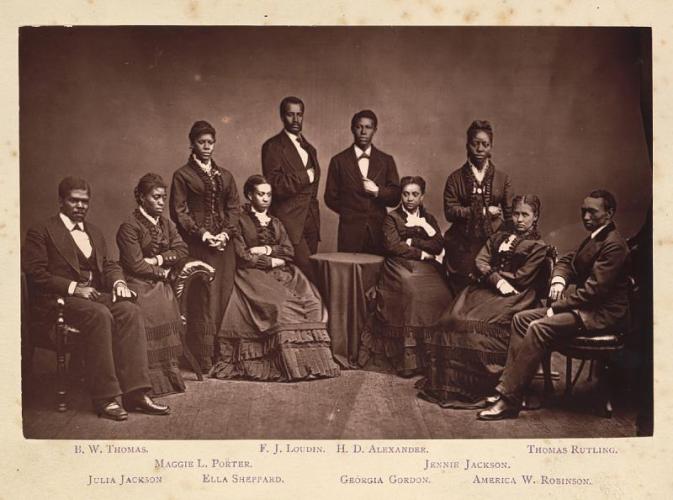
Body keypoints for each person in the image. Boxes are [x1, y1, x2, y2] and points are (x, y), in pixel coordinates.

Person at [22, 177, 170, 421]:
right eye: (74, 200)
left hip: (93, 295)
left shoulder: (94, 232)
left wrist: (119, 283)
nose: (80, 206)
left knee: (130, 310)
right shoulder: (42, 230)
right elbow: (35, 273)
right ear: (61, 201)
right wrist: (73, 288)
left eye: (85, 201)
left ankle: (136, 393)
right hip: (58, 302)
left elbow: (110, 265)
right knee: (99, 314)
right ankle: (105, 397)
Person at [478, 190, 630, 420]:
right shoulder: (595, 237)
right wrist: (559, 279)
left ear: (609, 213)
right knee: (521, 319)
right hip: (585, 308)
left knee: (539, 327)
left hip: (601, 314)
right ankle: (511, 387)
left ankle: (509, 399)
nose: (586, 216)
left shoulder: (613, 245)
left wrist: (557, 307)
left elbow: (594, 291)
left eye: (592, 212)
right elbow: (569, 260)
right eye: (583, 211)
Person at [418, 195, 548, 408]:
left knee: (473, 328)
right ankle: (447, 384)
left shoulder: (538, 246)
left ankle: (484, 386)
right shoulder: (499, 236)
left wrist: (492, 275)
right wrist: (495, 279)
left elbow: (522, 277)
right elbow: (480, 260)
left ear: (535, 217)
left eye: (525, 215)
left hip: (516, 296)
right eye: (516, 214)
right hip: (488, 288)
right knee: (452, 318)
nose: (519, 219)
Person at [210, 175, 340, 381]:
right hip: (252, 275)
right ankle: (291, 367)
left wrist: (266, 250)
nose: (266, 199)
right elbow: (243, 255)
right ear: (249, 195)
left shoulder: (276, 222)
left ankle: (311, 365)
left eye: (269, 194)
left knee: (312, 302)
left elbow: (289, 251)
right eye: (261, 194)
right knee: (281, 305)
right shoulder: (240, 222)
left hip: (283, 271)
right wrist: (271, 260)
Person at [359, 176, 451, 376]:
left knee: (442, 294)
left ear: (422, 197)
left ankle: (430, 358)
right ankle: (410, 361)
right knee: (412, 292)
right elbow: (392, 246)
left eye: (415, 194)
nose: (409, 198)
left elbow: (438, 244)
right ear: (401, 195)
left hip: (425, 266)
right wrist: (420, 251)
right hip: (398, 265)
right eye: (406, 194)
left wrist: (411, 241)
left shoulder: (429, 219)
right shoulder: (392, 218)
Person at [170, 120, 240, 372]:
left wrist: (224, 234)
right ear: (192, 144)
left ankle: (223, 352)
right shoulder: (183, 175)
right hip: (198, 246)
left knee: (224, 294)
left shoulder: (226, 175)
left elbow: (233, 208)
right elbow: (179, 212)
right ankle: (203, 355)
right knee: (204, 298)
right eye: (202, 142)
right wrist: (203, 235)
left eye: (211, 142)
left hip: (223, 246)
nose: (207, 147)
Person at [117, 173, 189, 396]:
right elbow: (135, 265)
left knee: (165, 301)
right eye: (155, 197)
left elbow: (182, 250)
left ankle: (169, 377)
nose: (160, 202)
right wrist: (164, 272)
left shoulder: (167, 224)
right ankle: (146, 381)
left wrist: (158, 260)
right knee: (155, 306)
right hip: (137, 283)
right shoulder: (128, 227)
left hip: (159, 283)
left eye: (163, 197)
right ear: (141, 198)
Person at [443, 120, 512, 294]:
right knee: (463, 288)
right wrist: (482, 212)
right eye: (475, 144)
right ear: (467, 146)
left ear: (491, 147)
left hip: (493, 242)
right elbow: (450, 212)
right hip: (463, 244)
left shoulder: (502, 178)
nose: (480, 149)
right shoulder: (455, 178)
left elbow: (510, 213)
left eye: (485, 144)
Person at [324, 109, 401, 254]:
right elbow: (330, 197)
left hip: (379, 231)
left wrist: (378, 191)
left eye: (368, 127)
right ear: (352, 129)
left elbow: (395, 196)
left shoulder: (386, 160)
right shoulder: (338, 161)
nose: (363, 132)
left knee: (377, 273)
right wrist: (350, 212)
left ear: (375, 130)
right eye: (359, 127)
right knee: (350, 273)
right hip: (350, 232)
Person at [261, 96, 320, 281]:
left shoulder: (310, 148)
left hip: (311, 222)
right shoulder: (273, 146)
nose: (295, 120)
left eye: (299, 115)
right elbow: (274, 184)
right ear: (282, 116)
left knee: (310, 276)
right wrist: (305, 176)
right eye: (290, 115)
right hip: (289, 221)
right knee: (305, 272)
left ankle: (311, 310)